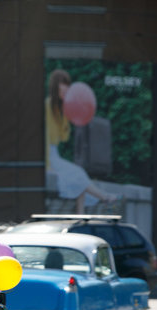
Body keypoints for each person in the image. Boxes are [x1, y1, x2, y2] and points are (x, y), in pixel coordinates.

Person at [45, 69, 117, 214]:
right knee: (77, 173)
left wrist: (68, 117)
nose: (65, 88)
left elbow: (63, 137)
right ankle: (104, 197)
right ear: (55, 86)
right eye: (62, 84)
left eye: (67, 84)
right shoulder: (47, 105)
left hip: (54, 153)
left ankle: (80, 212)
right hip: (47, 154)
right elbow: (44, 137)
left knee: (78, 173)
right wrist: (47, 165)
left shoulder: (61, 109)